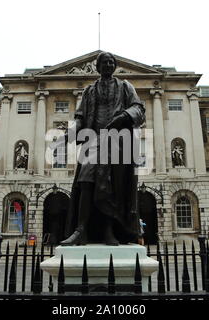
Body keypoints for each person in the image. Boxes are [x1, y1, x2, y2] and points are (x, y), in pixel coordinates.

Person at [60, 52, 145, 246]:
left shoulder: (125, 87)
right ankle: (80, 230)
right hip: (94, 140)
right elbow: (80, 117)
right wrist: (69, 134)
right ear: (97, 67)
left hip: (117, 140)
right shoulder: (89, 91)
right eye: (104, 62)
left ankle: (109, 231)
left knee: (110, 186)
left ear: (114, 66)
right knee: (86, 180)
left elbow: (138, 109)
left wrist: (123, 117)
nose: (108, 64)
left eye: (111, 62)